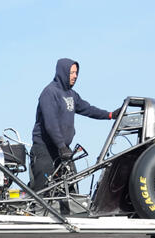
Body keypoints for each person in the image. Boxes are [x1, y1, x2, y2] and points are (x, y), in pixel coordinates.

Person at [31, 58, 120, 193]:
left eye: (76, 73)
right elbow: (51, 123)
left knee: (71, 190)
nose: (75, 76)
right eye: (72, 73)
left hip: (63, 151)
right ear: (63, 72)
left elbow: (88, 109)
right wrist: (61, 146)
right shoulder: (49, 93)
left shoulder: (71, 94)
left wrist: (110, 115)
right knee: (43, 193)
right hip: (45, 150)